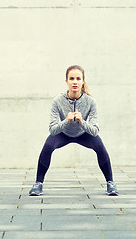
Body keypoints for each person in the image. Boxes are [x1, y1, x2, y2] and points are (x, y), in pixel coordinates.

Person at [29, 65, 118, 196]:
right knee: (48, 145)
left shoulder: (90, 102)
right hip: (63, 133)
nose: (75, 82)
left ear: (83, 81)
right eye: (71, 78)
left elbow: (94, 131)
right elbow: (52, 130)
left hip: (84, 134)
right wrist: (66, 121)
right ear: (66, 81)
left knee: (100, 146)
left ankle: (111, 183)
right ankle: (38, 184)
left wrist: (82, 122)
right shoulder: (57, 101)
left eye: (78, 78)